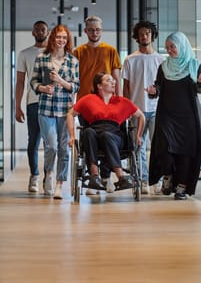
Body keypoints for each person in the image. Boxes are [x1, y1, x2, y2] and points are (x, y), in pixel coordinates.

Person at [146, 31, 201, 200]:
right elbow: (158, 87)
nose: (169, 50)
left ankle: (182, 186)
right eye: (167, 47)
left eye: (172, 47)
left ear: (181, 46)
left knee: (185, 151)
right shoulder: (164, 66)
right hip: (166, 114)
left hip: (188, 116)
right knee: (165, 147)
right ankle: (167, 176)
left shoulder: (194, 65)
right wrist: (153, 92)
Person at [67, 72, 145, 191]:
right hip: (94, 133)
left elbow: (141, 116)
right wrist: (72, 136)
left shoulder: (122, 101)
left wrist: (138, 136)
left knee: (106, 135)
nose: (113, 82)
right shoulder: (89, 99)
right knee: (88, 132)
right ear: (99, 86)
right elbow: (70, 114)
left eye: (113, 80)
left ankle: (121, 176)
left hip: (115, 136)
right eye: (109, 80)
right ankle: (95, 176)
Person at [73, 15, 122, 194]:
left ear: (102, 31)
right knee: (90, 138)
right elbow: (74, 78)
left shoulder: (110, 50)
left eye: (98, 30)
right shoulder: (78, 52)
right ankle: (92, 178)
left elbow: (116, 77)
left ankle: (106, 177)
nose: (95, 32)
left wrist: (120, 99)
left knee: (108, 137)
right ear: (85, 31)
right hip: (86, 105)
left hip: (107, 104)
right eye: (91, 29)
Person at [30, 25, 79, 200]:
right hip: (45, 109)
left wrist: (60, 80)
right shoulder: (42, 58)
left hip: (65, 111)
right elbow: (33, 81)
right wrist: (42, 88)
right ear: (53, 38)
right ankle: (49, 174)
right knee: (51, 146)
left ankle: (60, 184)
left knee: (64, 149)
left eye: (64, 38)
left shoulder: (73, 61)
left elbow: (75, 86)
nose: (61, 40)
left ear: (67, 40)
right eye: (58, 37)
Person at [122, 21, 165, 195]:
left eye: (147, 33)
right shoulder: (130, 60)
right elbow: (126, 87)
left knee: (158, 146)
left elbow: (164, 86)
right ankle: (143, 180)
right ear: (137, 37)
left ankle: (158, 180)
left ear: (152, 35)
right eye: (141, 34)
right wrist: (126, 109)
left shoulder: (161, 60)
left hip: (156, 110)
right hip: (136, 110)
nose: (144, 36)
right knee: (137, 147)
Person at [16, 20, 49, 193]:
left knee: (51, 143)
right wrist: (17, 106)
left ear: (47, 32)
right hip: (33, 102)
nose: (40, 31)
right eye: (37, 29)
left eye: (43, 29)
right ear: (33, 32)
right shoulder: (24, 54)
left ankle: (48, 177)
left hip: (52, 103)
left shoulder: (55, 53)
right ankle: (34, 176)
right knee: (33, 142)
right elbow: (20, 82)